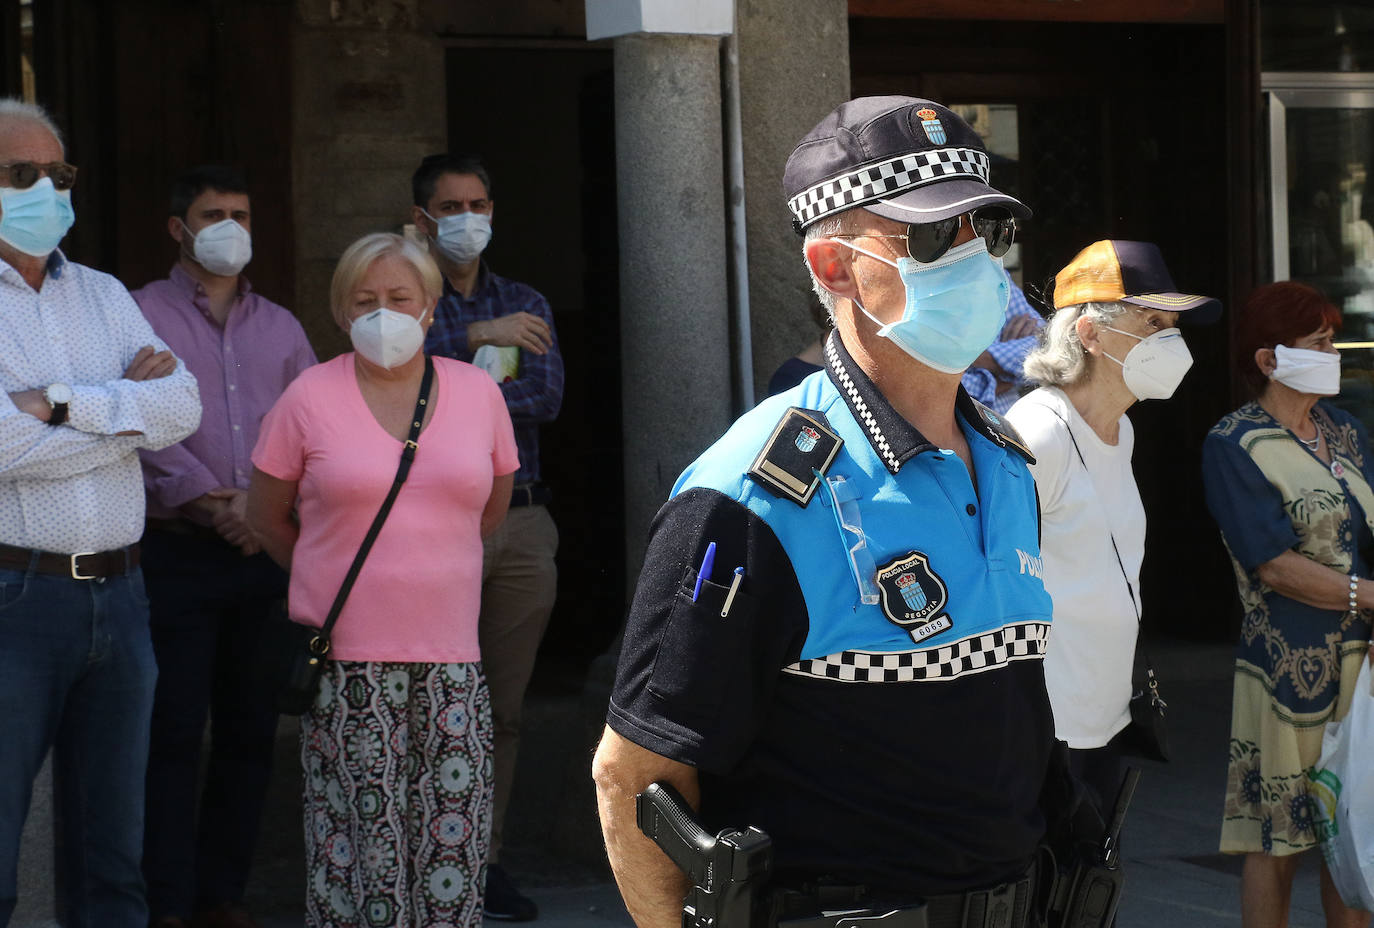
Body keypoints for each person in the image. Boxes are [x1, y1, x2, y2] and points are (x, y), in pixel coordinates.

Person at [593, 96, 1062, 927]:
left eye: (980, 230)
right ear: (835, 266)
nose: (973, 258)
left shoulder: (1006, 459)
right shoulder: (751, 496)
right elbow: (636, 775)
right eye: (929, 235)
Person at [247, 232, 516, 927]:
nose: (383, 313)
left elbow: (489, 509)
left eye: (400, 298)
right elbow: (268, 518)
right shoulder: (309, 396)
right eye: (365, 300)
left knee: (449, 855)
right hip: (346, 666)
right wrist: (330, 575)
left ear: (430, 307)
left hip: (453, 662)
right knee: (355, 854)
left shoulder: (480, 393)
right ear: (340, 312)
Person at [0, 99, 201, 926]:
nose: (47, 189)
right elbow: (1, 450)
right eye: (22, 174)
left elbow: (183, 406)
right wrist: (125, 419)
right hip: (17, 602)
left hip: (123, 599)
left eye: (60, 174)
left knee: (113, 858)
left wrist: (53, 402)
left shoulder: (106, 293)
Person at [133, 164, 317, 928]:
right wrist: (213, 502)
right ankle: (167, 901)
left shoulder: (282, 327)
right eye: (214, 214)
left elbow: (313, 426)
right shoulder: (137, 314)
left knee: (248, 733)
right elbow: (136, 418)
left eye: (241, 213)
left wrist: (258, 511)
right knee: (173, 730)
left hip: (263, 557)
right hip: (178, 554)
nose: (230, 227)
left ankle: (223, 897)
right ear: (179, 228)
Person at [1006, 240, 1220, 811]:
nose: (1170, 339)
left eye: (1173, 324)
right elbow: (996, 581)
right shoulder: (1037, 433)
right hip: (1047, 736)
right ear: (1090, 334)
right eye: (1151, 321)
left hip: (1105, 722)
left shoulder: (1120, 431)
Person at [410, 152, 563, 921]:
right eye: (449, 204)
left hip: (523, 521)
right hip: (432, 523)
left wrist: (460, 352)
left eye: (478, 203)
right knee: (430, 698)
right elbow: (399, 376)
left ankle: (482, 858)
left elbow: (544, 397)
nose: (466, 217)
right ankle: (419, 851)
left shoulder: (526, 298)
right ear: (420, 218)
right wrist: (484, 340)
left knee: (500, 707)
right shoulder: (401, 300)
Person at [1202, 280, 1374, 928]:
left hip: (1363, 668)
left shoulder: (1347, 432)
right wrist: (1368, 596)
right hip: (1286, 669)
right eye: (1319, 343)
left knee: (1351, 829)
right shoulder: (1233, 442)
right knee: (1276, 843)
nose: (1333, 352)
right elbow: (1271, 562)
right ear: (1269, 359)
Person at [963, 273, 1044, 413]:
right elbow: (930, 387)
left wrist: (974, 357)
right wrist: (1007, 377)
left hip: (1010, 423)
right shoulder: (917, 286)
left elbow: (1046, 347)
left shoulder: (995, 273)